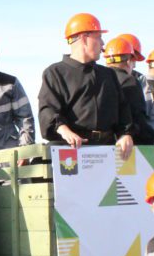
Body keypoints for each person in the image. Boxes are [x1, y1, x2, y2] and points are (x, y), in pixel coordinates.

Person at [38, 13, 134, 159]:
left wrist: (125, 134)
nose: (103, 45)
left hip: (107, 151)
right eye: (99, 37)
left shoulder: (108, 75)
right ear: (84, 38)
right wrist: (64, 130)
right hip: (72, 153)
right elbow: (48, 110)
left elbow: (123, 110)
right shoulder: (55, 73)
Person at [103, 37, 154, 152]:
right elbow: (137, 117)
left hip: (99, 146)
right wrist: (153, 139)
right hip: (127, 148)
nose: (134, 66)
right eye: (134, 61)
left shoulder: (98, 79)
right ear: (128, 61)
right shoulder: (129, 81)